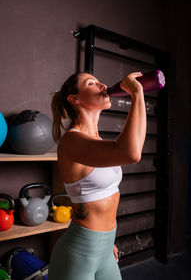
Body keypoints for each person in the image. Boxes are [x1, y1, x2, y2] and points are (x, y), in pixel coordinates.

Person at [48, 71, 146, 280]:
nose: (102, 85)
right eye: (91, 83)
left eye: (100, 80)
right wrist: (137, 93)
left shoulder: (97, 141)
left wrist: (106, 242)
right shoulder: (71, 142)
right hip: (78, 254)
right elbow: (131, 153)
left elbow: (104, 197)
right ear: (75, 99)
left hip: (105, 249)